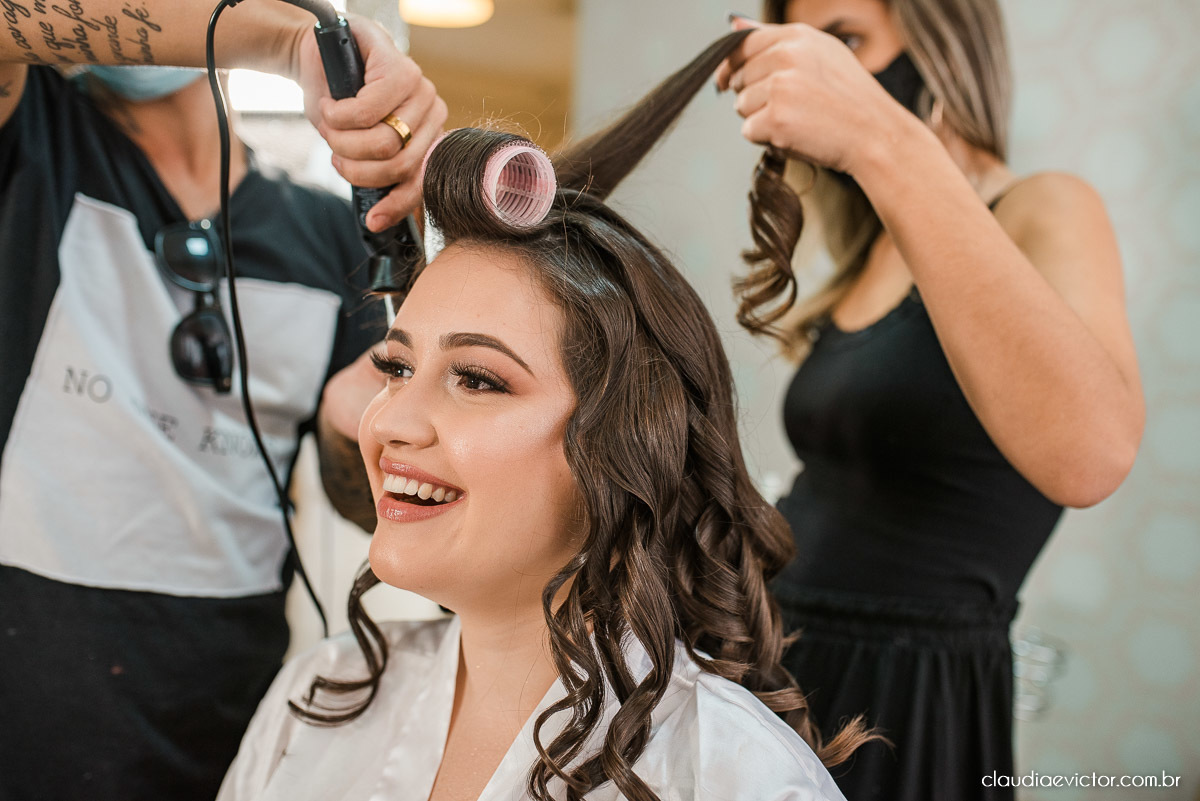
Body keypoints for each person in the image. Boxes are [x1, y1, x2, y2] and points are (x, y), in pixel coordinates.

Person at [215, 37, 882, 800]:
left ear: (622, 444)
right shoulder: (317, 699)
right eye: (397, 368)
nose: (394, 421)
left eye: (476, 378)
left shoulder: (735, 775)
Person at [0, 2, 446, 798]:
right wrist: (286, 43)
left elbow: (357, 498)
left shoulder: (329, 234)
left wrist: (360, 427)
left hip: (231, 738)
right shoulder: (31, 136)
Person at [710, 1, 1145, 799]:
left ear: (945, 40)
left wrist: (878, 135)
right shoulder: (872, 248)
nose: (828, 69)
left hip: (905, 703)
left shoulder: (1045, 207)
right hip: (779, 664)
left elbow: (1093, 454)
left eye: (847, 40)